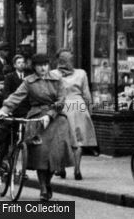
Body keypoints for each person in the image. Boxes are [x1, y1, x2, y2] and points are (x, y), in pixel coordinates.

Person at [0, 52, 74, 202]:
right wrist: (4, 110)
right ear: (34, 67)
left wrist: (50, 114)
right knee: (40, 153)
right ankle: (43, 188)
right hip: (37, 117)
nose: (43, 68)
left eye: (45, 65)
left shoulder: (57, 80)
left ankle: (47, 182)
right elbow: (16, 96)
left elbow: (61, 100)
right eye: (39, 66)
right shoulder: (28, 81)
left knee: (55, 154)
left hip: (56, 118)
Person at [51, 49, 97, 180]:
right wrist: (89, 110)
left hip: (63, 106)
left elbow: (51, 94)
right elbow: (87, 94)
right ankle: (77, 169)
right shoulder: (81, 73)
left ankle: (61, 169)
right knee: (79, 139)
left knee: (62, 139)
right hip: (79, 106)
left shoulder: (53, 74)